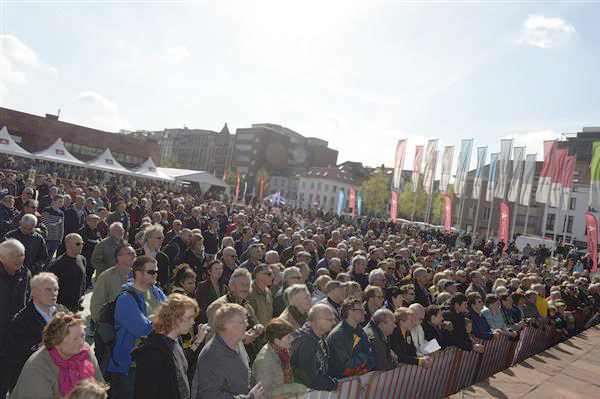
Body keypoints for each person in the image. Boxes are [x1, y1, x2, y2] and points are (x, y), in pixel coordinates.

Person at [107, 256, 167, 399]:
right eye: (151, 272)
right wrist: (160, 319)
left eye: (156, 271)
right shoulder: (125, 299)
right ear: (138, 273)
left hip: (152, 362)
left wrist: (152, 319)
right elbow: (143, 330)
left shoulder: (156, 292)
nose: (155, 274)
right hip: (129, 367)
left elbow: (172, 315)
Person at [11, 312, 104, 399]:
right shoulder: (38, 368)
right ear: (56, 342)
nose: (81, 342)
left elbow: (100, 386)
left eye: (82, 335)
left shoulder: (84, 351)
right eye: (75, 338)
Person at [131, 294, 206, 399]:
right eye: (189, 318)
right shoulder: (152, 352)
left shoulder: (175, 340)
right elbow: (145, 393)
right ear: (173, 318)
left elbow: (180, 366)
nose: (193, 322)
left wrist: (198, 341)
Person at [6, 273, 66, 392]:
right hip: (34, 380)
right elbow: (17, 353)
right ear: (33, 292)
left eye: (56, 290)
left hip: (61, 378)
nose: (54, 293)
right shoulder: (21, 320)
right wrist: (42, 346)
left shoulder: (63, 311)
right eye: (48, 290)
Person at [191, 303, 265, 399]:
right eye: (243, 322)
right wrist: (249, 397)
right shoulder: (211, 356)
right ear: (226, 325)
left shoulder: (238, 343)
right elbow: (211, 396)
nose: (247, 325)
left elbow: (246, 372)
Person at [206, 268, 264, 361]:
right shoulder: (218, 307)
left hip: (245, 358)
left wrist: (258, 328)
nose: (245, 288)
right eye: (242, 285)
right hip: (225, 360)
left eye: (247, 285)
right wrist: (242, 339)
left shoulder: (247, 307)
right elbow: (211, 340)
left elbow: (256, 325)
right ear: (232, 286)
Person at [0, 239, 31, 398]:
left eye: (22, 255)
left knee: (15, 379)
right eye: (15, 256)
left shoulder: (25, 273)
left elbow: (27, 302)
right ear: (2, 258)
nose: (20, 259)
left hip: (16, 337)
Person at [252, 319, 308, 398]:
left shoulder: (282, 350)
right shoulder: (264, 362)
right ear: (277, 341)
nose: (292, 339)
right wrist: (294, 388)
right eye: (288, 337)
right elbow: (265, 392)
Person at [290, 304, 339, 391]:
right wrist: (332, 384)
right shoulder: (305, 343)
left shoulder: (320, 336)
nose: (334, 322)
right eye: (330, 319)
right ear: (318, 321)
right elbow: (309, 379)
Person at [89, 244, 136, 323]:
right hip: (114, 325)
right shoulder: (106, 277)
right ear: (119, 257)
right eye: (129, 254)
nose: (133, 256)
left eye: (134, 253)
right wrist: (106, 326)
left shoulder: (138, 275)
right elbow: (96, 306)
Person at [327, 298, 371, 378]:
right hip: (342, 383)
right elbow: (345, 364)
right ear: (350, 311)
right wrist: (364, 356)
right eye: (360, 310)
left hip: (358, 379)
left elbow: (368, 350)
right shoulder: (337, 335)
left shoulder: (359, 329)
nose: (365, 312)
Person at [48, 233, 86, 312]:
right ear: (68, 245)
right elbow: (48, 286)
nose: (81, 246)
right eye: (78, 244)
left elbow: (83, 278)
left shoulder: (82, 259)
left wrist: (82, 293)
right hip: (60, 307)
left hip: (75, 305)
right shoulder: (57, 264)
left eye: (82, 243)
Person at [136, 224, 171, 289]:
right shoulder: (136, 255)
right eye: (159, 238)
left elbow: (165, 281)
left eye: (162, 238)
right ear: (149, 238)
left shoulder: (163, 257)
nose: (161, 240)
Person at [194, 259, 228, 323]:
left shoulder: (224, 287)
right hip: (207, 320)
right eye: (216, 269)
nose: (218, 271)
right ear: (209, 271)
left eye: (220, 269)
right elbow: (201, 307)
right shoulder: (202, 286)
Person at [78, 213, 102, 289]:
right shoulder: (82, 231)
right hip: (85, 255)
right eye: (93, 221)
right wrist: (95, 242)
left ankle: (87, 283)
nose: (96, 223)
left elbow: (99, 240)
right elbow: (84, 242)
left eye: (96, 221)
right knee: (83, 272)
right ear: (88, 221)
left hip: (93, 255)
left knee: (91, 271)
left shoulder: (97, 231)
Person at [41, 194, 65, 263]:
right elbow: (46, 225)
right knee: (42, 259)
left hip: (55, 240)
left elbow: (62, 227)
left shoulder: (61, 213)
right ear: (54, 201)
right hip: (46, 239)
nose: (61, 203)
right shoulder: (46, 210)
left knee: (49, 261)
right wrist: (57, 223)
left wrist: (60, 239)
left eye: (62, 202)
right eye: (60, 201)